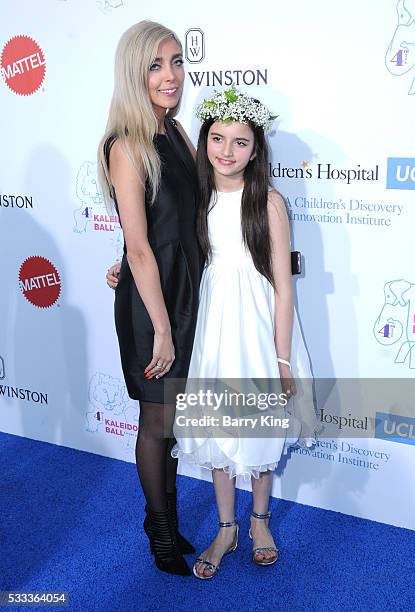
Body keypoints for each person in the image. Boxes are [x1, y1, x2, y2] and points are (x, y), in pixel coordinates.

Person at [107, 87, 318, 579]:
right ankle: (226, 527)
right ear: (204, 143)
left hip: (255, 328)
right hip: (211, 325)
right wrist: (124, 268)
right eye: (217, 140)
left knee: (258, 422)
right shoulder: (199, 196)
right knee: (216, 424)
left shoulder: (267, 202)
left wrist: (282, 358)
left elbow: (283, 288)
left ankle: (259, 522)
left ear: (256, 149)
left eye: (240, 142)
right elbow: (156, 239)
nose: (226, 151)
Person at [97, 20, 203, 576]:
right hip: (152, 303)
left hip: (183, 289)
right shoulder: (127, 145)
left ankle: (169, 517)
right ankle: (159, 531)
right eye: (157, 65)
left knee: (174, 416)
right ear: (135, 73)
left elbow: (180, 221)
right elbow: (141, 247)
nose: (171, 76)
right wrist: (160, 326)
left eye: (177, 62)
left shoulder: (179, 134)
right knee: (156, 419)